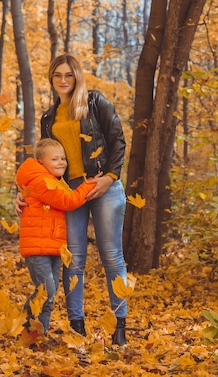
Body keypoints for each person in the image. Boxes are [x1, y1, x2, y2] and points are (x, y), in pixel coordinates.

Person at [17, 53, 129, 345]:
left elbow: (118, 141)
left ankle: (120, 327)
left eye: (69, 75)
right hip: (69, 191)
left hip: (103, 185)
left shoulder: (95, 103)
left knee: (111, 257)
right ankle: (76, 327)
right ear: (52, 79)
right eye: (58, 76)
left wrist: (110, 177)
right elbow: (43, 164)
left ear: (77, 76)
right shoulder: (48, 117)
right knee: (73, 259)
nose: (63, 81)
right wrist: (25, 191)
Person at [16, 138, 95, 333]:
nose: (61, 162)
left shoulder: (52, 180)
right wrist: (89, 184)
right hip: (38, 248)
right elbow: (69, 201)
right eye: (55, 159)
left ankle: (37, 333)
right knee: (46, 291)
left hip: (52, 245)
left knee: (48, 295)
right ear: (42, 163)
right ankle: (25, 320)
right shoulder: (43, 182)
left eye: (63, 158)